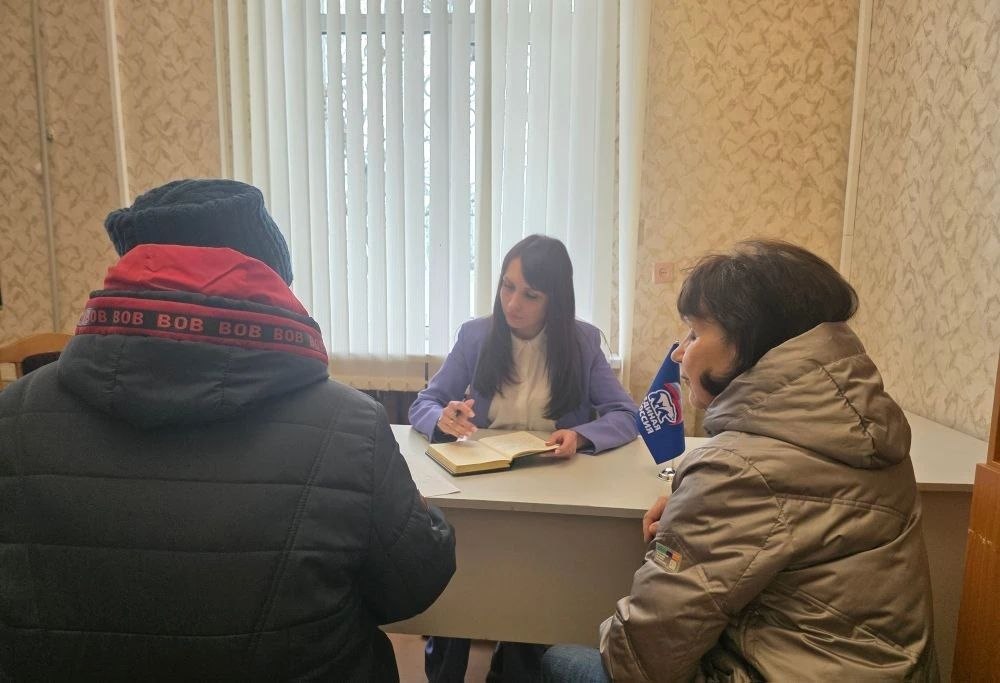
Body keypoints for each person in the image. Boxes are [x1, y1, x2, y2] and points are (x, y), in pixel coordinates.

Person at [0, 179, 457, 681]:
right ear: (270, 288)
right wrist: (419, 515)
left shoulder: (11, 417)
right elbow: (413, 586)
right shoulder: (351, 426)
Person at [542, 240, 939, 682]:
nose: (679, 353)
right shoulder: (866, 430)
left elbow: (639, 662)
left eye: (694, 334)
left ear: (746, 343)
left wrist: (686, 528)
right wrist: (695, 512)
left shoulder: (737, 469)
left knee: (555, 657)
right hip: (882, 667)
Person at [409, 234, 639, 682]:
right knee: (461, 587)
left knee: (533, 597)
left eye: (531, 295)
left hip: (551, 492)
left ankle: (516, 664)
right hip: (479, 486)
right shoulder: (476, 335)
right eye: (507, 286)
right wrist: (444, 418)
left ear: (555, 299)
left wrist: (582, 435)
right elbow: (426, 402)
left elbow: (626, 414)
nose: (513, 303)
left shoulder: (582, 341)